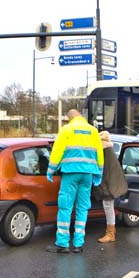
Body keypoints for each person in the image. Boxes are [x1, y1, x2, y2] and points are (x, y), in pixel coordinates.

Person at [45, 109, 104, 254]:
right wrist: (99, 172)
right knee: (82, 208)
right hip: (88, 174)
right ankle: (78, 244)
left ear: (69, 118)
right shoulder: (93, 131)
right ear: (81, 117)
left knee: (65, 207)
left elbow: (57, 151)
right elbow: (99, 153)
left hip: (70, 173)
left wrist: (51, 170)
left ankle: (63, 243)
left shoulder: (66, 129)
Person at [93, 131, 128, 243]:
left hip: (109, 184)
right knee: (109, 206)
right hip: (113, 182)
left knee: (108, 206)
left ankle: (110, 233)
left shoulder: (103, 151)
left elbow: (104, 171)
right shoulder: (109, 150)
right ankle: (111, 232)